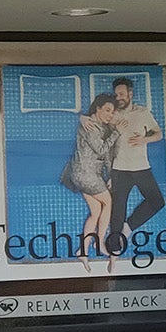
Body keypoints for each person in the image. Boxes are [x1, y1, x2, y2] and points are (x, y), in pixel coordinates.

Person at [105, 76, 165, 253]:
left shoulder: (143, 113)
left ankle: (128, 228)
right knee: (117, 210)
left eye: (121, 94)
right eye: (116, 95)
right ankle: (114, 247)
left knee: (157, 202)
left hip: (141, 167)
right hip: (119, 169)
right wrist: (108, 175)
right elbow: (95, 119)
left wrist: (143, 139)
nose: (118, 98)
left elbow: (159, 134)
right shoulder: (112, 114)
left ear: (130, 94)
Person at [61, 95, 118, 272]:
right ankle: (100, 242)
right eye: (107, 110)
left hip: (87, 174)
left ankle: (83, 251)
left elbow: (106, 156)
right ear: (97, 108)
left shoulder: (100, 126)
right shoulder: (90, 125)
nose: (110, 114)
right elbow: (101, 149)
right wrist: (117, 133)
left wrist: (110, 175)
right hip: (85, 174)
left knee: (96, 211)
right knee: (108, 202)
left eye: (112, 112)